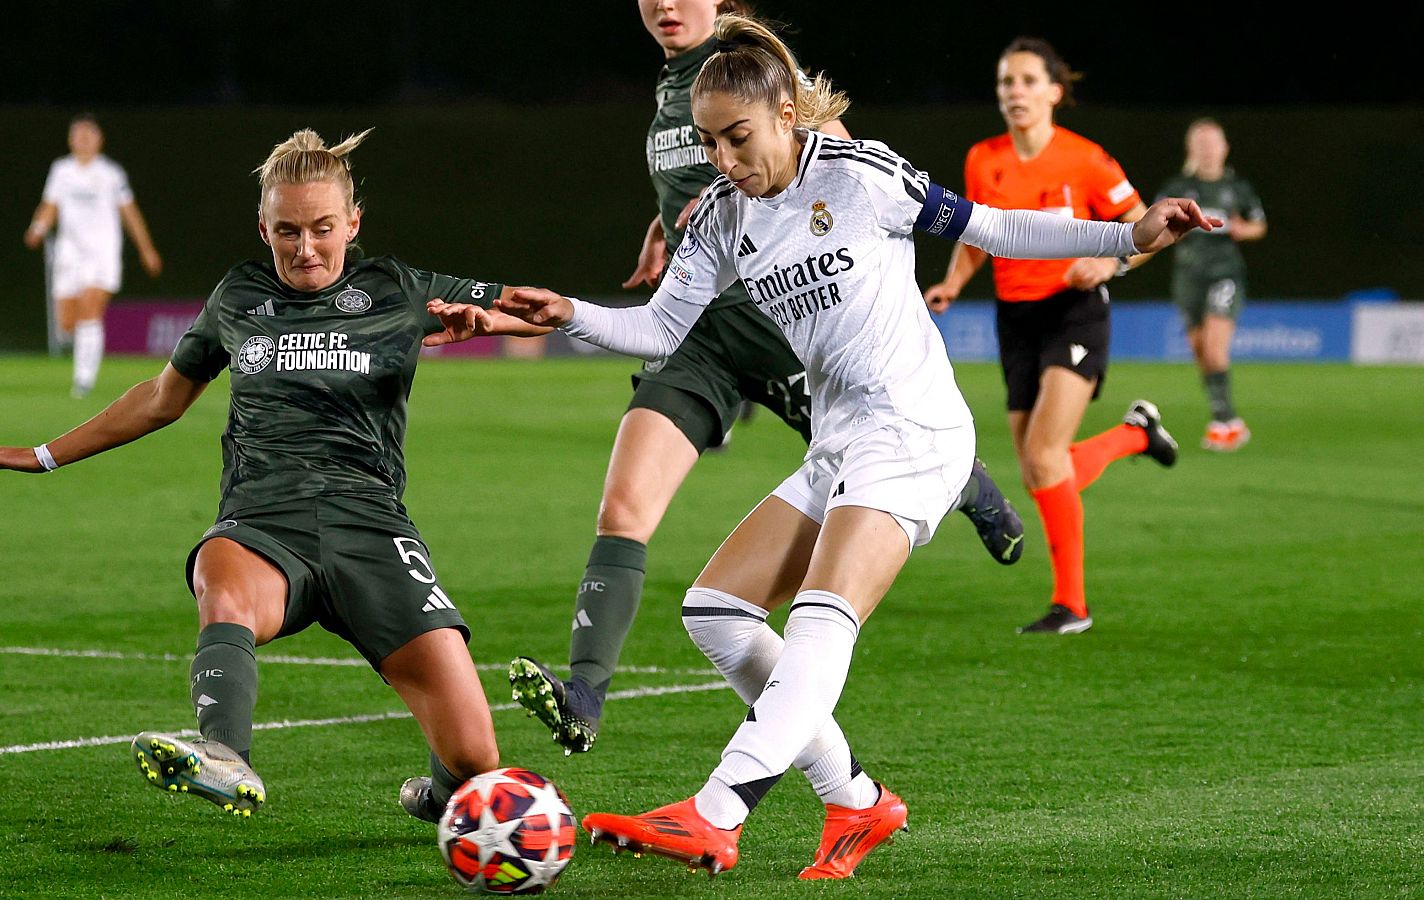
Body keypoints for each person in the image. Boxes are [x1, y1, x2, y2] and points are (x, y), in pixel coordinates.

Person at [438, 15, 1216, 879]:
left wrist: (1129, 235)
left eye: (739, 138)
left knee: (819, 616)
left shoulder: (858, 175)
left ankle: (717, 811)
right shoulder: (723, 218)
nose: (725, 159)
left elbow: (993, 228)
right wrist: (567, 313)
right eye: (708, 143)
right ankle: (855, 800)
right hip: (843, 441)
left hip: (915, 429)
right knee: (717, 613)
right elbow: (660, 326)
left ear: (785, 114)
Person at [0, 129, 547, 822]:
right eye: (287, 232)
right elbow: (160, 399)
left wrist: (489, 320)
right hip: (265, 520)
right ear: (263, 227)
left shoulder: (397, 286)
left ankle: (443, 793)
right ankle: (224, 753)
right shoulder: (238, 295)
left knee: (478, 761)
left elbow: (537, 310)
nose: (305, 248)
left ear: (353, 223)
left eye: (323, 229)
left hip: (372, 525)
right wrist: (44, 453)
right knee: (220, 572)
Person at [503, 0, 1026, 761]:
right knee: (624, 502)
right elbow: (699, 200)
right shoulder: (669, 93)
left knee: (864, 454)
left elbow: (841, 183)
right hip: (695, 337)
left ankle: (966, 480)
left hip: (783, 323)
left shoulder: (755, 75)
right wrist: (664, 230)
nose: (662, 4)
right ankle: (585, 694)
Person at [922, 38, 1184, 636]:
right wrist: (954, 283)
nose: (1014, 92)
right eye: (1005, 82)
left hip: (1074, 310)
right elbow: (975, 236)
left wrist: (1112, 264)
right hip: (1014, 318)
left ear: (1054, 92)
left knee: (1043, 460)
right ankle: (1134, 436)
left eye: (1026, 81)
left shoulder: (1086, 160)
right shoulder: (982, 159)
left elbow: (1150, 227)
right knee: (1041, 466)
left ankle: (1074, 606)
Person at [24, 113, 163, 398]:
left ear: (99, 140)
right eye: (79, 136)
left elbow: (130, 213)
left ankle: (83, 380)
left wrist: (146, 249)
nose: (84, 141)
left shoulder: (111, 174)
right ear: (71, 140)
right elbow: (49, 205)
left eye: (89, 136)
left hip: (102, 254)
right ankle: (85, 355)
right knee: (66, 324)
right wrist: (38, 228)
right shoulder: (61, 170)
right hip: (69, 254)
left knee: (90, 308)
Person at [1156, 118, 1266, 451]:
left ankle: (1224, 422)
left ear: (1224, 148)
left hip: (1225, 274)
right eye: (1200, 144)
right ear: (1192, 149)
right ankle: (1227, 419)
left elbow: (1259, 225)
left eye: (1213, 143)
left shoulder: (1238, 188)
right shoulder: (1177, 187)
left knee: (1216, 350)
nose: (1207, 150)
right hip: (1188, 277)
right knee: (1202, 352)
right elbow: (1152, 223)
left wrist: (1242, 230)